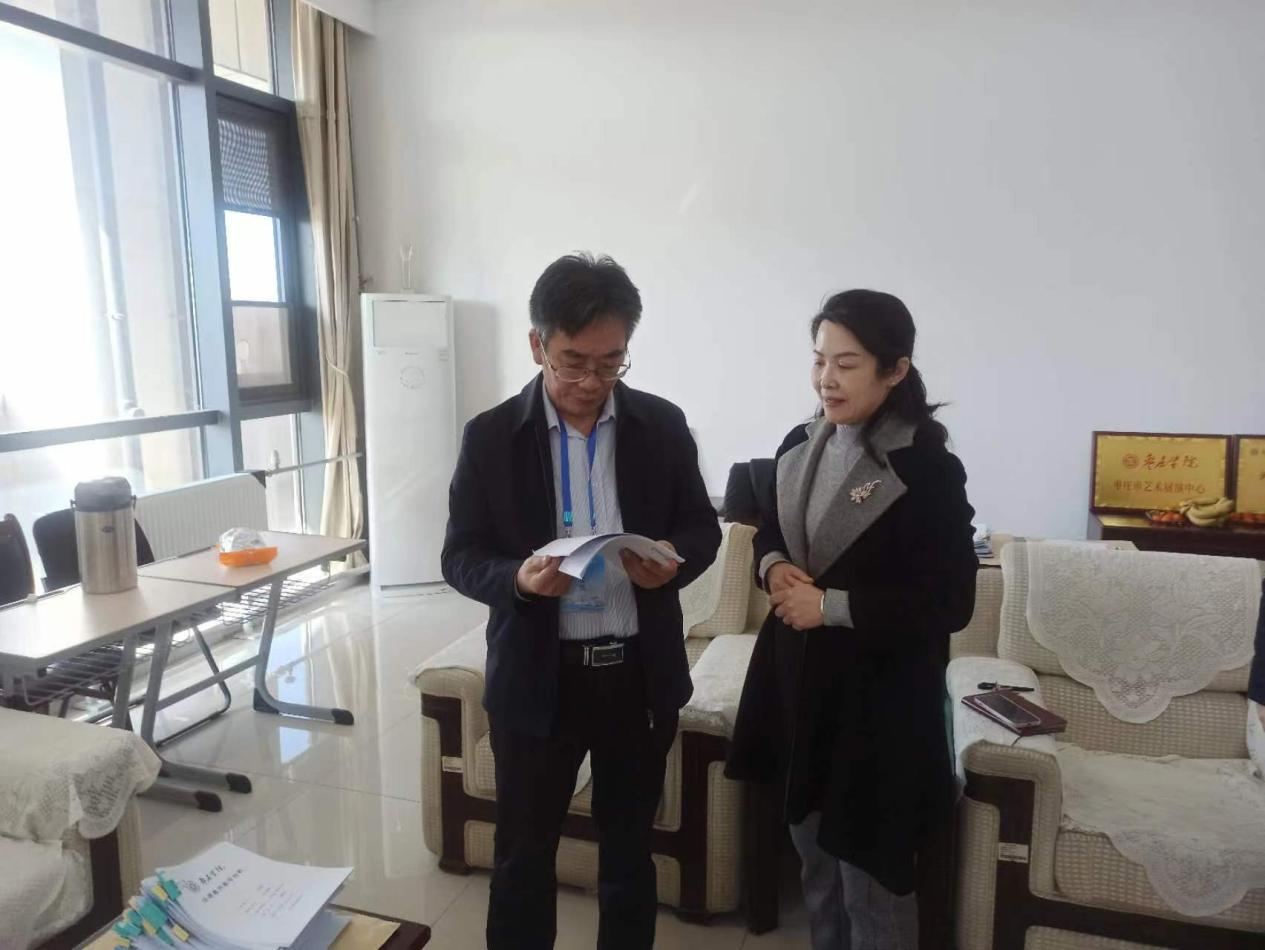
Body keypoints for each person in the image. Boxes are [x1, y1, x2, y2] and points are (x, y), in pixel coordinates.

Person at [441, 253, 721, 950]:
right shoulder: (490, 437)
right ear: (537, 344)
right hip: (539, 680)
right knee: (522, 857)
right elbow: (461, 555)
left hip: (636, 676)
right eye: (573, 363)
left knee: (628, 858)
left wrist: (672, 563)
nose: (591, 382)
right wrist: (517, 580)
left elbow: (701, 528)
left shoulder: (661, 425)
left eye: (610, 362)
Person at [726, 290, 978, 950]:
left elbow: (950, 601)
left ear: (894, 371)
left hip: (877, 705)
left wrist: (830, 607)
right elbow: (768, 530)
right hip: (798, 686)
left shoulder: (926, 468)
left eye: (846, 364)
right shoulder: (799, 443)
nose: (825, 380)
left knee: (870, 876)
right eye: (819, 361)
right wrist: (773, 567)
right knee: (812, 860)